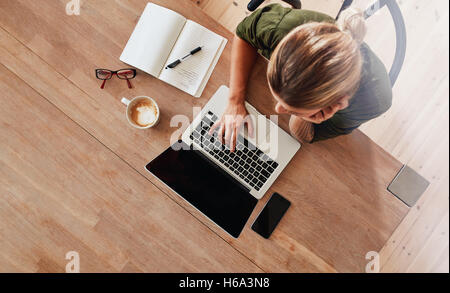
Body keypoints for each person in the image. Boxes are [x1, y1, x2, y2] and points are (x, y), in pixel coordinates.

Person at [210, 4, 392, 151]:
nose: (278, 109)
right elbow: (244, 33)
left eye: (292, 110)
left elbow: (302, 135)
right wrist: (234, 101)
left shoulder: (372, 103)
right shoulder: (283, 28)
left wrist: (306, 119)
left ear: (337, 104)